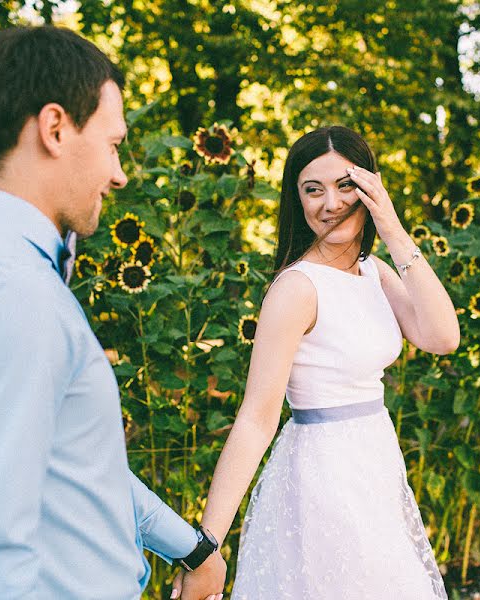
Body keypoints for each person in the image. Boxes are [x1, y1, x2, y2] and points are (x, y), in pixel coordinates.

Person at [0, 26, 225, 599]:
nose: (119, 174)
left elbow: (77, 463)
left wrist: (190, 548)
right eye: (113, 145)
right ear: (55, 128)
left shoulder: (4, 275)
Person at [197, 126, 459, 598]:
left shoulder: (374, 271)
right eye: (312, 190)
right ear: (297, 201)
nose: (330, 203)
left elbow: (442, 336)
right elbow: (257, 418)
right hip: (322, 475)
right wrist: (206, 546)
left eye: (345, 186)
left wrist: (394, 229)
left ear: (370, 188)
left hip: (375, 462)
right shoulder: (297, 288)